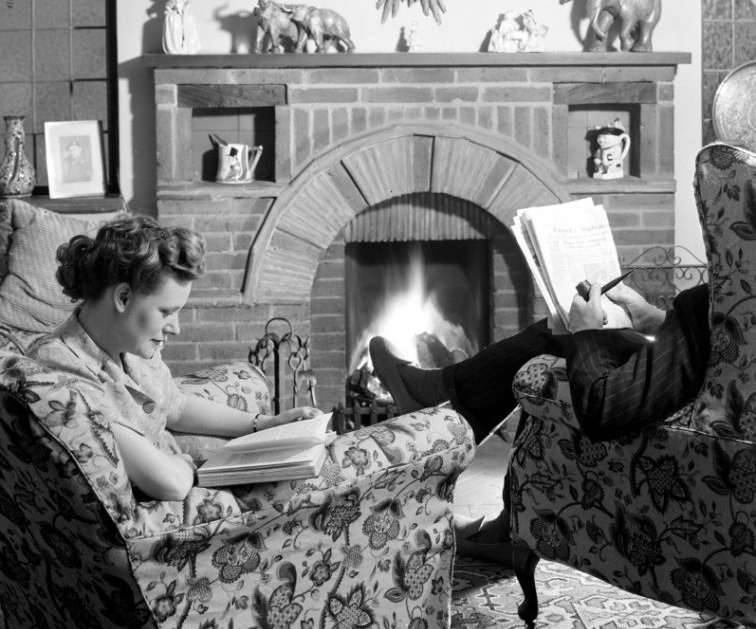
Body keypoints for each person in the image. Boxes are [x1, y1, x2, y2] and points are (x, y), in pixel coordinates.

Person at [369, 277, 710, 563]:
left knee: (556, 348)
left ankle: (443, 400)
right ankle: (508, 521)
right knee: (554, 332)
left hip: (686, 397)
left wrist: (586, 333)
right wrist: (655, 318)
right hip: (694, 352)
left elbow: (605, 408)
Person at [28, 215, 320, 502]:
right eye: (166, 312)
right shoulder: (62, 376)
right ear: (123, 298)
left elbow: (176, 407)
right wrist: (186, 461)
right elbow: (169, 484)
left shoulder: (129, 343)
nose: (176, 328)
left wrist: (266, 423)